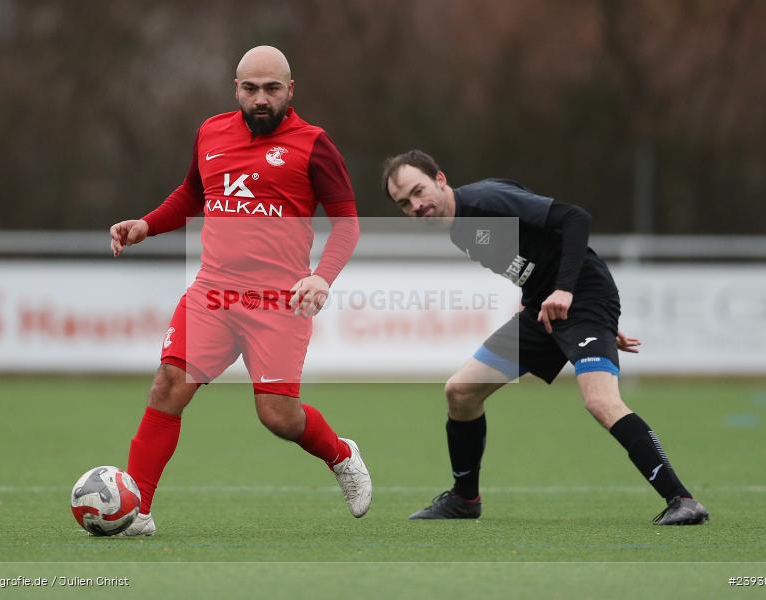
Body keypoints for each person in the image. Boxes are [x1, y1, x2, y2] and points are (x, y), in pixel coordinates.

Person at [107, 46, 371, 536]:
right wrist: (148, 224)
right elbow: (192, 194)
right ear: (236, 89)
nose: (261, 98)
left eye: (272, 88)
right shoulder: (211, 131)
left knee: (278, 417)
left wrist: (321, 277)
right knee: (168, 386)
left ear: (290, 90)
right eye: (250, 88)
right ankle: (134, 512)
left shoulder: (314, 144)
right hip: (212, 293)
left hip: (278, 302)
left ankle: (341, 454)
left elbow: (348, 225)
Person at [382, 150, 708, 526]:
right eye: (404, 203)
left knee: (601, 402)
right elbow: (535, 253)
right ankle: (464, 499)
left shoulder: (484, 201)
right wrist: (542, 302)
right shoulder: (459, 225)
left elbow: (574, 218)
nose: (416, 205)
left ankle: (682, 500)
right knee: (461, 391)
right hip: (546, 311)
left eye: (418, 191)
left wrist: (577, 298)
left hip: (580, 298)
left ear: (440, 179)